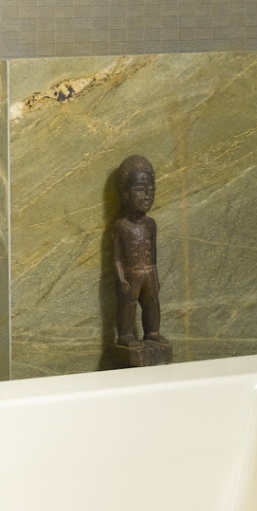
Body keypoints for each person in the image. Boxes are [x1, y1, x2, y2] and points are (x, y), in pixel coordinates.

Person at [108, 154, 165, 361]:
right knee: (129, 304)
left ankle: (152, 332)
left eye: (151, 189)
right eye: (140, 190)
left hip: (149, 271)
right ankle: (125, 335)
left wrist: (156, 276)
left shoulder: (150, 225)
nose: (147, 196)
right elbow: (116, 258)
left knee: (152, 302)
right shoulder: (121, 226)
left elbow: (154, 256)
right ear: (125, 195)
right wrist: (121, 278)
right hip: (131, 275)